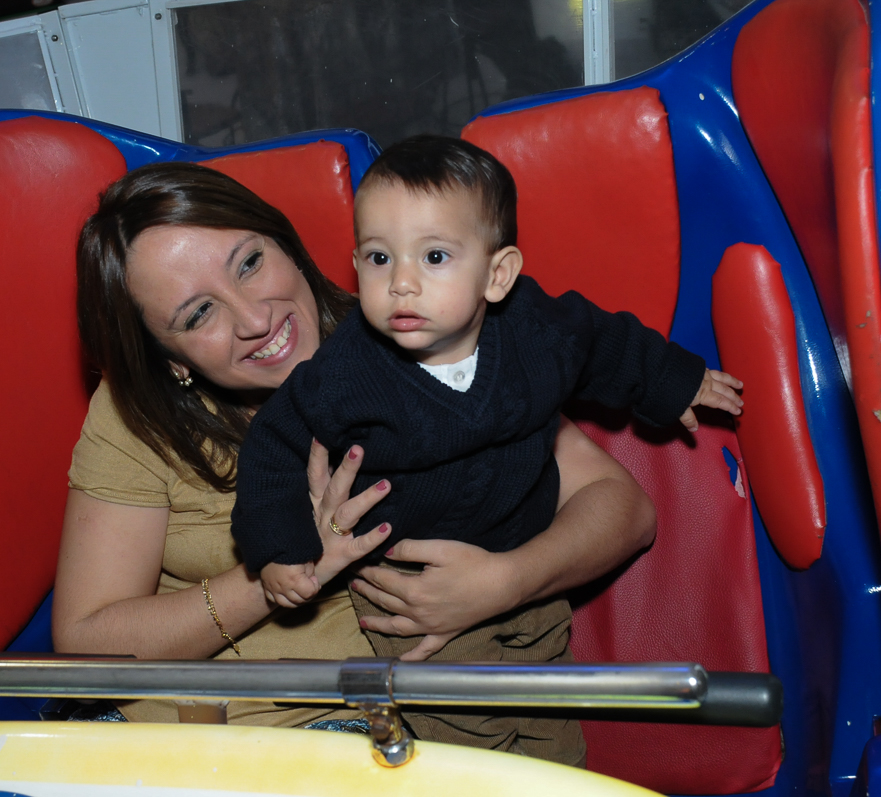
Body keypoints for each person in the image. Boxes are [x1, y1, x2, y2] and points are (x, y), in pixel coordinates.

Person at [52, 159, 659, 756]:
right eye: (199, 314)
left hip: (359, 730)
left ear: (286, 243)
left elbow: (624, 509)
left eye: (251, 263)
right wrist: (280, 574)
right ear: (169, 360)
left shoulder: (413, 333)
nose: (256, 319)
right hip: (159, 735)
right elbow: (84, 649)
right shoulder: (136, 415)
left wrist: (505, 581)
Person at [229, 135, 743, 760]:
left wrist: (673, 382)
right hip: (418, 602)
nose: (402, 284)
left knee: (552, 722)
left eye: (435, 256)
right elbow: (272, 450)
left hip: (532, 578)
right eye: (378, 258)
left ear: (497, 275)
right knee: (479, 747)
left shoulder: (536, 331)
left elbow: (603, 343)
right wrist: (280, 550)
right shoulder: (344, 374)